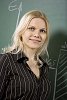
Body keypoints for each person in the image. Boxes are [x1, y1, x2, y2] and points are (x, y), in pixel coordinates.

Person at [0, 10, 51, 100]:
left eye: (42, 31)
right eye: (31, 28)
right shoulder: (6, 60)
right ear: (21, 32)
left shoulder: (44, 66)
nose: (37, 34)